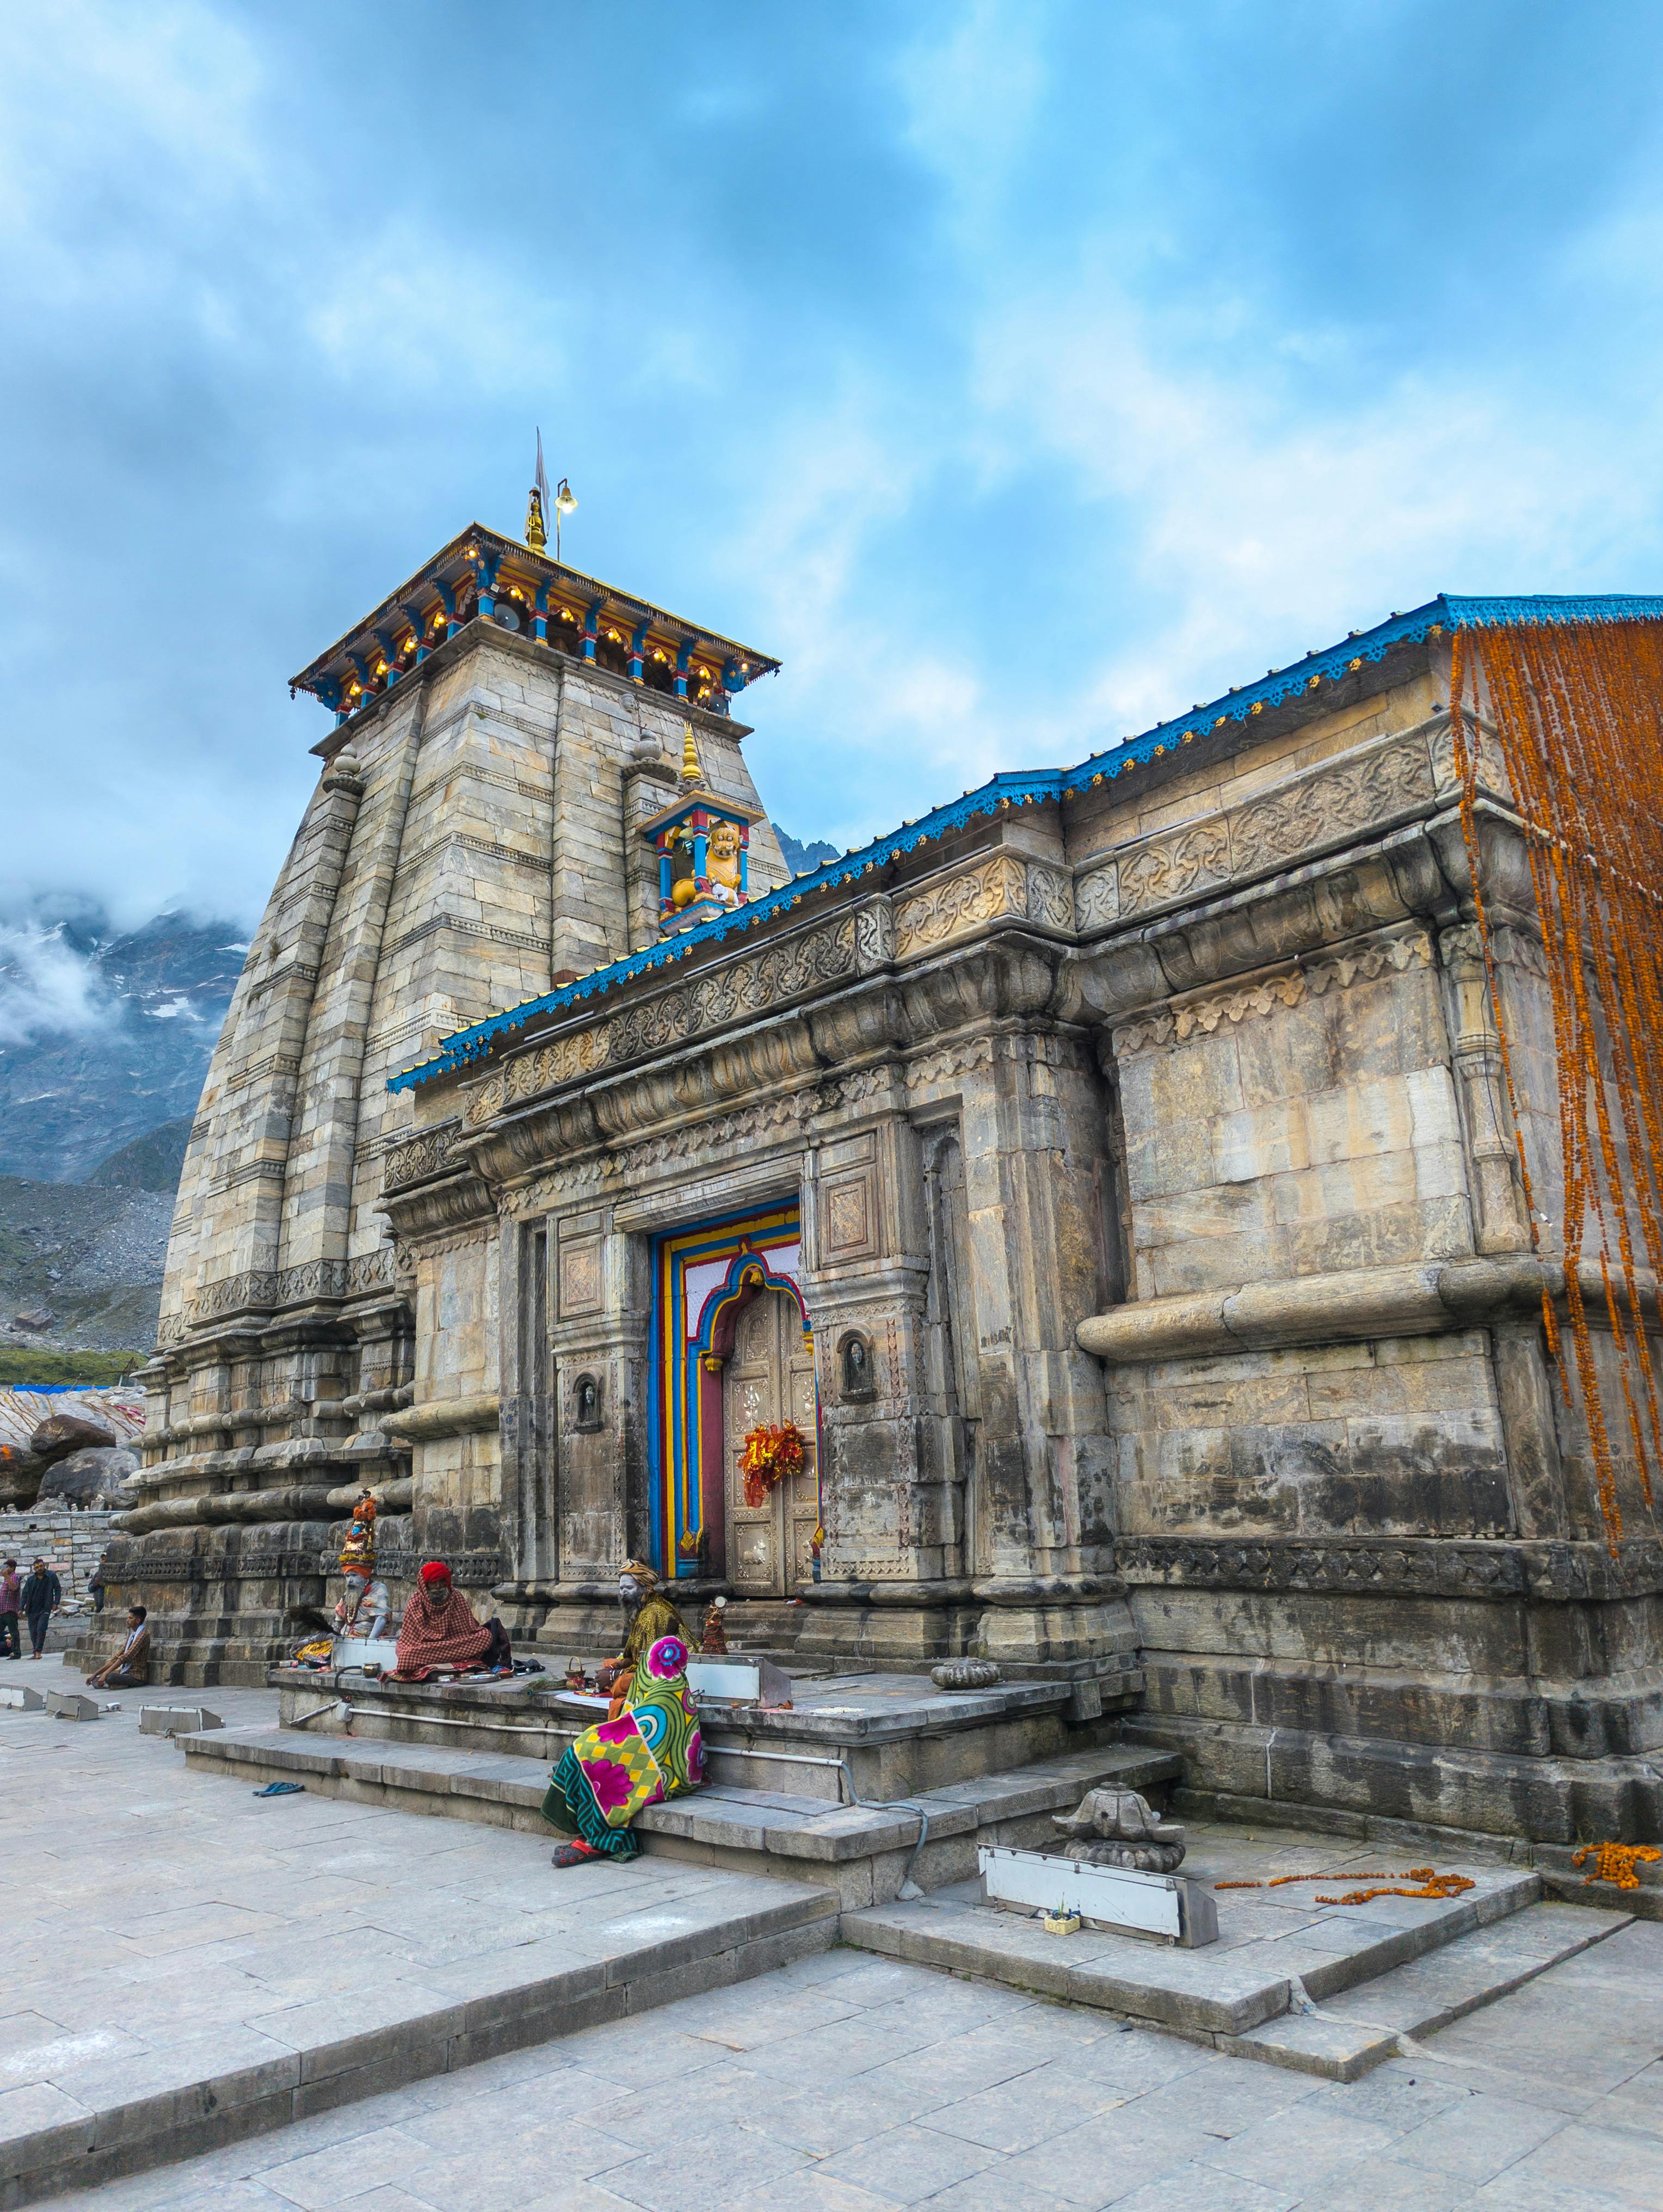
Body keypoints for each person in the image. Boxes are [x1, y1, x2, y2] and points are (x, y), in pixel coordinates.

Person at [543, 1560, 704, 1866]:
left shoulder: (657, 1620)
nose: (623, 1593)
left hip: (667, 1774)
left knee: (593, 1756)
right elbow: (635, 1666)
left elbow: (650, 1728)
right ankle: (585, 1808)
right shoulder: (654, 1672)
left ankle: (596, 1838)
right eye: (620, 1588)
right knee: (590, 1745)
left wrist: (618, 1680)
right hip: (651, 1748)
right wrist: (616, 1669)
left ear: (645, 1588)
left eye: (628, 1587)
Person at [390, 1562, 511, 1679]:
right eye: (433, 1583)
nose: (438, 1587)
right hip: (426, 1647)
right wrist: (435, 1648)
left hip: (454, 1643)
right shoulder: (415, 1603)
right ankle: (450, 1660)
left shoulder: (456, 1597)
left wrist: (450, 1645)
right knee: (407, 1655)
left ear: (447, 1582)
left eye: (441, 1582)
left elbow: (470, 1629)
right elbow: (409, 1639)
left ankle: (438, 1661)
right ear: (425, 1584)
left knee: (485, 1637)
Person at [87, 1606, 151, 1688]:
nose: (127, 1620)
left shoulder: (143, 1635)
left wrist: (106, 1674)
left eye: (130, 1618)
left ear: (138, 1620)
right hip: (126, 1673)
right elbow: (116, 1657)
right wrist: (95, 1674)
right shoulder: (133, 1635)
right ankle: (114, 1685)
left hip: (137, 1677)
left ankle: (114, 1684)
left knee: (109, 1677)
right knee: (96, 1680)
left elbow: (126, 1657)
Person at [21, 1558, 62, 1659]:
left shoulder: (51, 1576)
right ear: (34, 1569)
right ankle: (36, 1652)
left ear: (44, 1566)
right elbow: (25, 1594)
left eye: (41, 1566)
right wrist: (21, 1607)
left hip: (45, 1608)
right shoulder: (31, 1580)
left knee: (41, 1629)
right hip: (32, 1609)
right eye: (37, 1567)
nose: (39, 1568)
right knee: (33, 1631)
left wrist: (56, 1602)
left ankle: (38, 1651)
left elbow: (58, 1589)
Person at [0, 1559, 20, 1660]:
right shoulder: (5, 1579)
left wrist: (7, 1576)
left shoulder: (15, 1577)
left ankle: (17, 1653)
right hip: (2, 1611)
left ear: (12, 1568)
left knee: (14, 1632)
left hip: (10, 1610)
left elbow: (14, 1588)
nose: (5, 1569)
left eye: (7, 1567)